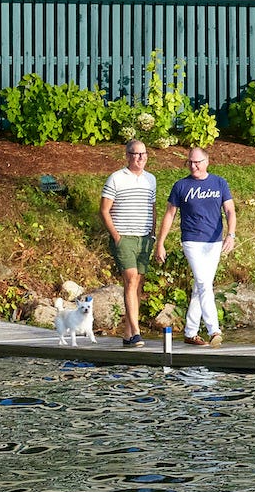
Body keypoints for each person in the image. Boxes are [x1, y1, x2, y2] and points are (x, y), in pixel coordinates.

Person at [156, 143, 239, 345]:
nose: (193, 166)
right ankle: (214, 330)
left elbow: (230, 210)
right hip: (192, 240)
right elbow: (169, 214)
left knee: (200, 287)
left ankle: (190, 332)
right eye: (190, 162)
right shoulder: (181, 186)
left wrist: (231, 234)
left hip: (214, 241)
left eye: (197, 162)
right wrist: (160, 243)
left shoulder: (219, 183)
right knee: (203, 283)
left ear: (207, 162)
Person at [99, 136, 162, 343]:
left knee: (139, 284)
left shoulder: (150, 179)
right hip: (124, 237)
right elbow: (104, 209)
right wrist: (116, 236)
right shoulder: (116, 178)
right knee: (131, 279)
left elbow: (152, 208)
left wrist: (153, 234)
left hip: (144, 238)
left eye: (144, 154)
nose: (140, 158)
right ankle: (136, 332)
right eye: (136, 154)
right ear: (127, 156)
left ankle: (127, 334)